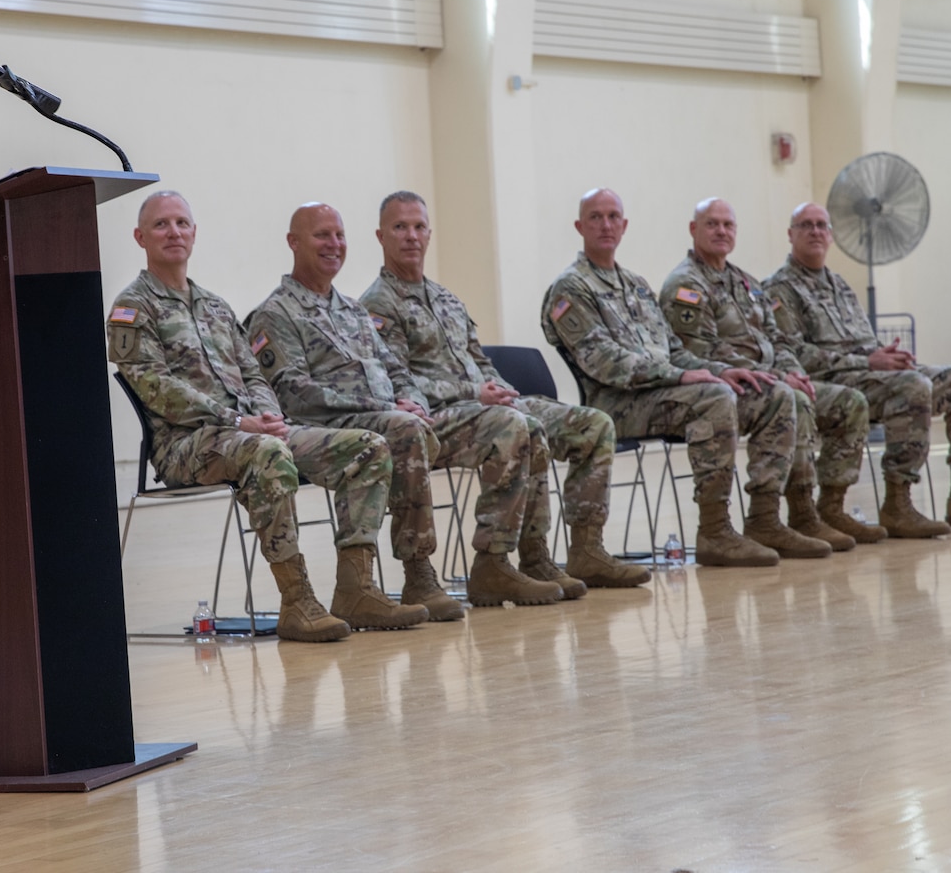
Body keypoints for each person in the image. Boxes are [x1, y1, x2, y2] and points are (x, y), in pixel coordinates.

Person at [107, 191, 397, 642]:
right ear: (140, 236)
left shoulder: (217, 307)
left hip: (252, 433)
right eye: (162, 225)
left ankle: (356, 589)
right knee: (265, 452)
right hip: (186, 445)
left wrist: (267, 412)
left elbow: (252, 372)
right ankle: (297, 600)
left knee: (367, 446)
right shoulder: (131, 310)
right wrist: (238, 420)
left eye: (182, 223)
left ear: (195, 233)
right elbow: (156, 388)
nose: (174, 232)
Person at [248, 203, 564, 612]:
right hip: (325, 426)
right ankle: (416, 573)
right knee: (403, 428)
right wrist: (385, 404)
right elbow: (293, 391)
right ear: (293, 242)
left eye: (339, 235)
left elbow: (397, 369)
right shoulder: (275, 314)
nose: (334, 244)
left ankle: (496, 562)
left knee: (505, 423)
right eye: (321, 235)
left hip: (387, 415)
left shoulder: (351, 311)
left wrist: (411, 397)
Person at [360, 191, 650, 590]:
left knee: (593, 424)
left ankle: (577, 552)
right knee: (514, 425)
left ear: (429, 234)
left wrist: (502, 389)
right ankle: (493, 562)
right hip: (431, 419)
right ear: (381, 236)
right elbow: (393, 382)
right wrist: (475, 392)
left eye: (419, 226)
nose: (411, 236)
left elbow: (480, 361)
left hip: (485, 408)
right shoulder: (376, 306)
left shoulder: (446, 299)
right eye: (400, 227)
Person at [541, 189, 804, 567]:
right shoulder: (572, 288)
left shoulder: (637, 286)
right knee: (713, 400)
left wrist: (720, 370)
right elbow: (605, 362)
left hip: (664, 396)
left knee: (772, 393)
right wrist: (681, 376)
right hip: (616, 404)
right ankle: (714, 531)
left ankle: (764, 519)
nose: (606, 224)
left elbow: (674, 349)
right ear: (580, 226)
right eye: (596, 217)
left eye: (614, 216)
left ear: (625, 225)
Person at [766, 203, 951, 534]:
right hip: (831, 382)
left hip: (871, 374)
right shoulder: (779, 288)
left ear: (831, 235)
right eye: (805, 225)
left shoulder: (839, 284)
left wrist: (889, 357)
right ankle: (897, 504)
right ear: (791, 234)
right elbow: (793, 353)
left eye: (821, 225)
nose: (815, 231)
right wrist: (869, 362)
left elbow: (864, 340)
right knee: (911, 387)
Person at [659, 198, 873, 550]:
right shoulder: (686, 286)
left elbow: (778, 338)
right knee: (787, 398)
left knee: (845, 400)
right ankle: (766, 518)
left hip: (769, 379)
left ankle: (817, 511)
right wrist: (774, 376)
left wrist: (791, 370)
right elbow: (701, 350)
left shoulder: (747, 283)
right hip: (727, 384)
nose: (721, 231)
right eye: (712, 224)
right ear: (693, 229)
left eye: (728, 225)